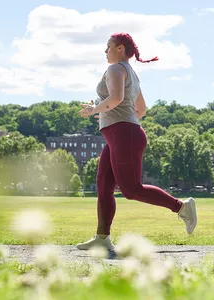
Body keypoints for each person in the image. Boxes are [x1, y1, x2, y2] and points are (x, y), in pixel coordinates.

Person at [77, 32, 197, 251]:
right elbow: (140, 110)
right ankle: (102, 238)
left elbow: (115, 99)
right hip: (120, 135)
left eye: (108, 46)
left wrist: (95, 109)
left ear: (120, 48)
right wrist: (107, 113)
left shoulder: (115, 69)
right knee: (103, 185)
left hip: (124, 135)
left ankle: (182, 207)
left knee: (131, 189)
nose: (105, 51)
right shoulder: (131, 74)